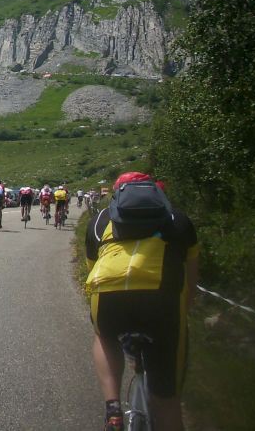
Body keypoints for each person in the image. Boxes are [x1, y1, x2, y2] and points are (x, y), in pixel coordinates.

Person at [85, 172, 199, 431]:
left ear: (117, 195)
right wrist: (181, 319)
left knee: (104, 336)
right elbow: (190, 282)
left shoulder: (100, 220)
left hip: (108, 297)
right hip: (162, 302)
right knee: (168, 404)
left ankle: (113, 407)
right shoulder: (178, 220)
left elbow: (92, 271)